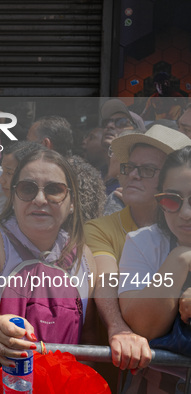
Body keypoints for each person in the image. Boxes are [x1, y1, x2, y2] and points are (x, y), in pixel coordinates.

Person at [0, 149, 96, 394]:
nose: (40, 199)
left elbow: (90, 336)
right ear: (13, 197)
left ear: (72, 202)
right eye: (27, 189)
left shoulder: (84, 257)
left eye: (54, 190)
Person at [84, 125, 191, 388]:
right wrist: (180, 258)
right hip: (133, 370)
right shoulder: (127, 236)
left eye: (146, 170)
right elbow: (106, 280)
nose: (132, 175)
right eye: (128, 167)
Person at [118, 146, 191, 392]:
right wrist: (180, 259)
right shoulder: (143, 242)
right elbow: (144, 326)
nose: (185, 214)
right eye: (172, 200)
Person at [99, 99, 145, 194]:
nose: (109, 126)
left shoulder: (135, 182)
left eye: (121, 122)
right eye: (106, 122)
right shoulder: (98, 172)